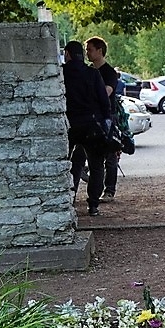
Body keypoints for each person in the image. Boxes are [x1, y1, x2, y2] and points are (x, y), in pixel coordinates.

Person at [62, 40, 112, 216]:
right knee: (96, 165)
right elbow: (103, 99)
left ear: (67, 54)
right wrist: (106, 120)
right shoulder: (92, 73)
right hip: (92, 124)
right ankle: (93, 205)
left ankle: (69, 197)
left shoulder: (62, 73)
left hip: (70, 125)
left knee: (71, 163)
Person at [86, 37, 123, 202]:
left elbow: (106, 92)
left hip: (107, 116)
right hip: (90, 116)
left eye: (90, 50)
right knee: (91, 155)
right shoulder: (88, 71)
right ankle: (96, 190)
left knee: (110, 155)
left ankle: (109, 190)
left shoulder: (109, 72)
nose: (87, 53)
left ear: (99, 51)